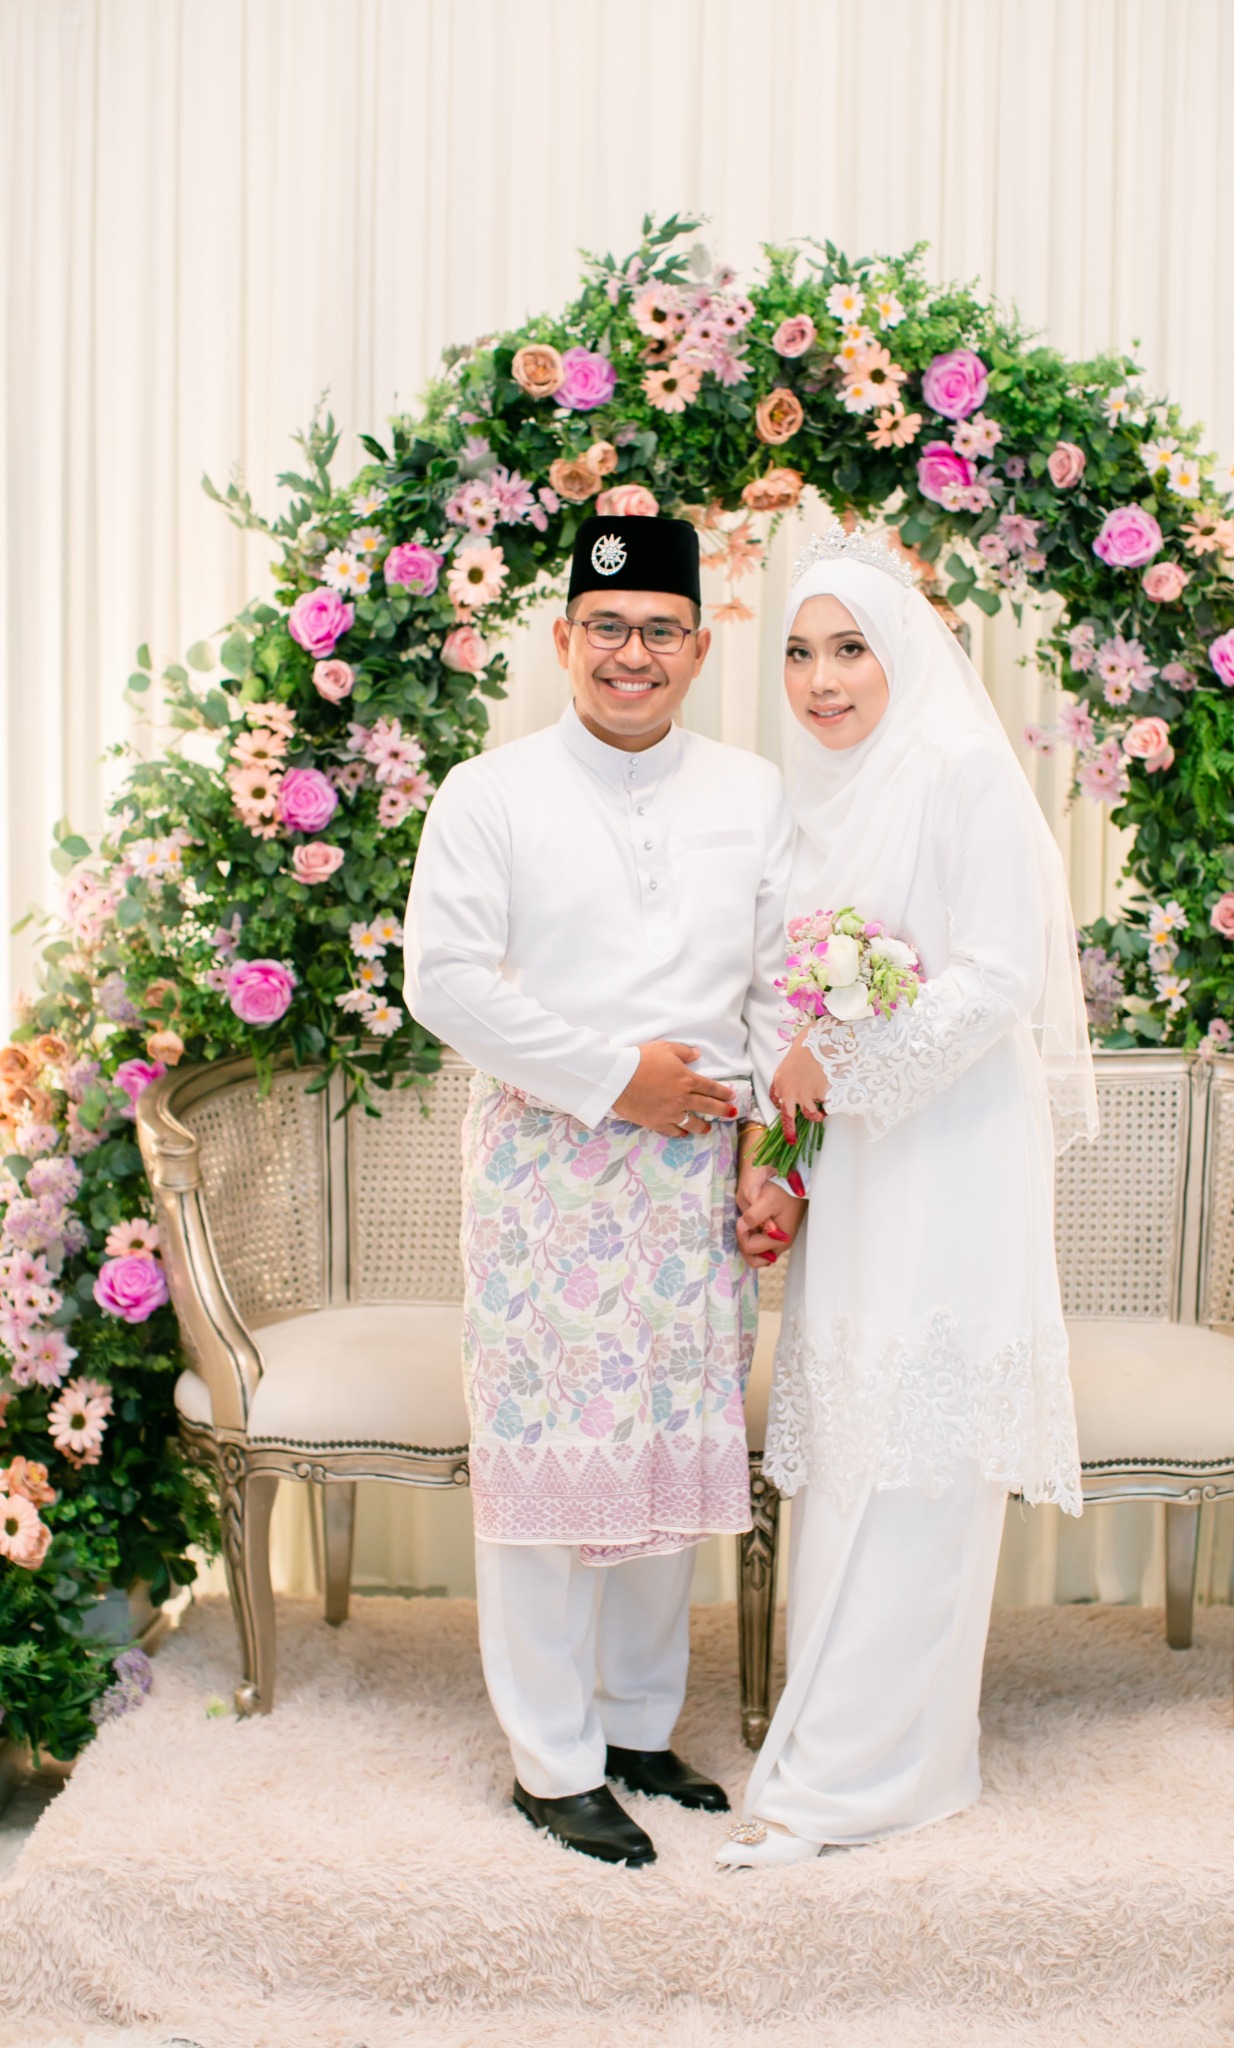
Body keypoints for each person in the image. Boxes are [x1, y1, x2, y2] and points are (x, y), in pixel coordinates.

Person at [404, 513, 792, 1869]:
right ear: (563, 638)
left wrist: (770, 1153)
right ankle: (551, 1763)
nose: (634, 654)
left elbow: (779, 989)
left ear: (700, 646)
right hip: (546, 1180)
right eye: (608, 628)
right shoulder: (488, 794)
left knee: (668, 1455)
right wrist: (618, 1078)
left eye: (661, 631)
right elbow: (446, 983)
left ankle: (635, 1729)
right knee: (548, 1470)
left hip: (695, 1178)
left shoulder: (754, 794)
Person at [717, 524, 1097, 1870]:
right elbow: (785, 1001)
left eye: (850, 650)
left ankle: (864, 1778)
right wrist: (785, 1128)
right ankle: (857, 1750)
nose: (821, 681)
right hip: (859, 1160)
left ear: (903, 655)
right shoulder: (810, 797)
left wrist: (842, 1064)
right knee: (852, 1434)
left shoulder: (959, 772)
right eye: (799, 653)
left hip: (951, 1153)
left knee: (917, 1448)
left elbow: (997, 977)